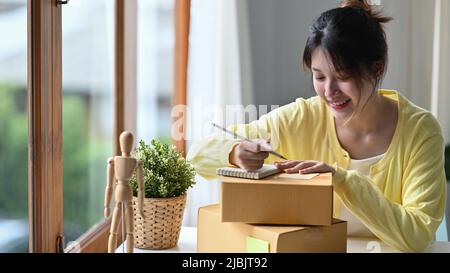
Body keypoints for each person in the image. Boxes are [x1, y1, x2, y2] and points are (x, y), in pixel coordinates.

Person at [186, 0, 446, 252]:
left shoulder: (420, 132)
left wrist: (342, 181)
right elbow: (197, 156)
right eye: (319, 76)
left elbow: (418, 236)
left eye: (342, 77)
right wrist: (235, 152)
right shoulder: (301, 118)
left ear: (376, 69)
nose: (329, 91)